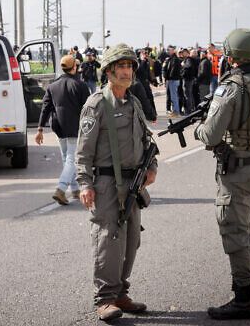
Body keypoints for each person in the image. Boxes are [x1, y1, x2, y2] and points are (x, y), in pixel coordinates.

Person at [195, 29, 250, 320]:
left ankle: (244, 299)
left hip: (238, 172)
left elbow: (210, 136)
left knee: (237, 234)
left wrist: (199, 126)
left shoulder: (232, 87)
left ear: (231, 56)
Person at [76, 43, 157, 321]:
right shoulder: (97, 104)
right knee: (108, 240)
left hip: (133, 183)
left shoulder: (134, 102)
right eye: (121, 66)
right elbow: (83, 150)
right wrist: (85, 183)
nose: (128, 71)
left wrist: (152, 167)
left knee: (131, 239)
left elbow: (148, 140)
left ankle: (121, 292)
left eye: (130, 66)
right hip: (107, 183)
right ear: (108, 71)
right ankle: (105, 298)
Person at [35, 55, 90, 205]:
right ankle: (60, 189)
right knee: (72, 159)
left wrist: (40, 128)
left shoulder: (52, 86)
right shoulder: (80, 85)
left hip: (59, 127)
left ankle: (75, 190)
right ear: (74, 67)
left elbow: (45, 108)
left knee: (67, 159)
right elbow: (89, 109)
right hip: (75, 128)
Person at [164, 45, 182, 117]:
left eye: (169, 50)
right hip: (171, 80)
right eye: (168, 50)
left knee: (174, 97)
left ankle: (176, 111)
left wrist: (169, 77)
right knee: (173, 96)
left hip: (173, 80)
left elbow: (173, 70)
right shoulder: (170, 59)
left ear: (173, 51)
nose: (168, 51)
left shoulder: (175, 59)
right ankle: (175, 111)